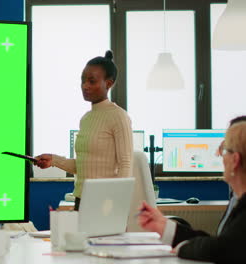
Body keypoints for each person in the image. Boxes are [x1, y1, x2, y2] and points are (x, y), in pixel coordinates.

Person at [34, 50, 133, 210]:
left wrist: (115, 204)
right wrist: (53, 160)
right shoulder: (86, 118)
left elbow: (126, 164)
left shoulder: (119, 116)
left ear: (108, 83)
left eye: (92, 81)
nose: (85, 86)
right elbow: (82, 165)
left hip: (106, 203)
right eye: (83, 80)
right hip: (81, 200)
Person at [138, 121, 246, 263]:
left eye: (224, 151)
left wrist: (183, 249)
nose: (219, 156)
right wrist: (165, 226)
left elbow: (221, 249)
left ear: (235, 160)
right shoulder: (240, 204)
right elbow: (221, 242)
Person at [216, 115, 246, 235]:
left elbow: (223, 246)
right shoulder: (236, 196)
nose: (221, 156)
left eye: (226, 149)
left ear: (235, 159)